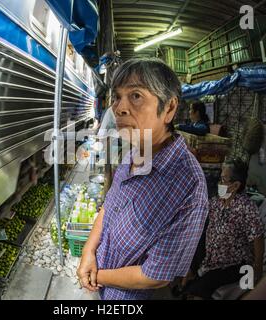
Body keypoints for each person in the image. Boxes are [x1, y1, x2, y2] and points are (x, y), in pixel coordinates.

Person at [76, 58, 209, 300]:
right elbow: (110, 206)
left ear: (169, 108)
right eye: (116, 97)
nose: (119, 108)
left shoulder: (188, 186)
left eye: (136, 96)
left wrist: (97, 275)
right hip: (99, 285)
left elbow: (157, 275)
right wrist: (88, 250)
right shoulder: (135, 152)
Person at [181, 158, 265, 300]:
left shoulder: (246, 208)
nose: (219, 183)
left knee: (199, 289)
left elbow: (258, 236)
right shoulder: (217, 201)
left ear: (235, 185)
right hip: (212, 259)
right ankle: (191, 277)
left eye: (223, 180)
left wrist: (257, 266)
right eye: (220, 179)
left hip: (233, 264)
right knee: (187, 280)